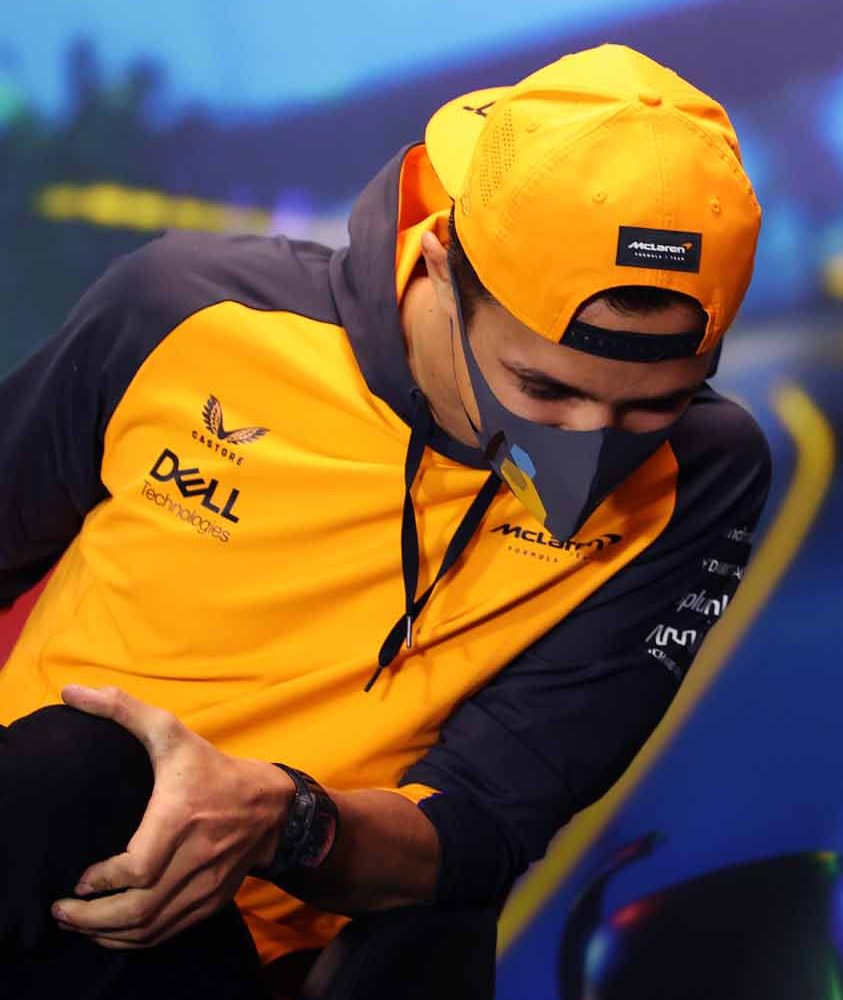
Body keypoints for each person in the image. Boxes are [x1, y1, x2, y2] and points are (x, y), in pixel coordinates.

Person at [0, 44, 769, 997]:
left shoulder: (702, 474)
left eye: (655, 405)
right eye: (542, 388)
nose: (591, 441)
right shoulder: (184, 315)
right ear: (444, 266)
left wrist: (281, 819)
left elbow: (484, 824)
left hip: (295, 959)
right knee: (79, 768)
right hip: (44, 872)